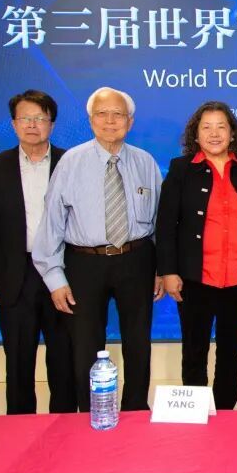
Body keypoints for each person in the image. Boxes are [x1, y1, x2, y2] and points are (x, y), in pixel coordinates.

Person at [33, 87, 163, 412]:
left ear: (130, 122)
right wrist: (54, 278)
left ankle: (135, 408)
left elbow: (160, 220)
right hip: (84, 263)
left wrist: (161, 269)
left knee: (138, 342)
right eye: (102, 114)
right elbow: (51, 222)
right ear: (91, 120)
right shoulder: (71, 162)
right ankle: (92, 411)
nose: (110, 121)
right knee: (85, 345)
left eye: (118, 114)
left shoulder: (145, 162)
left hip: (136, 259)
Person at [157, 101, 237, 411]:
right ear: (196, 134)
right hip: (194, 278)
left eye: (221, 127)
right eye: (207, 127)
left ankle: (225, 413)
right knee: (194, 351)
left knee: (231, 352)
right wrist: (168, 271)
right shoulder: (181, 169)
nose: (214, 134)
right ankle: (196, 414)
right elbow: (166, 224)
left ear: (232, 134)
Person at [0, 90, 76, 414]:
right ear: (13, 124)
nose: (32, 125)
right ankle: (19, 428)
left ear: (52, 124)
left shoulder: (71, 162)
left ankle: (64, 426)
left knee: (63, 358)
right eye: (25, 118)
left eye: (40, 118)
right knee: (18, 361)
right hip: (14, 274)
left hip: (62, 273)